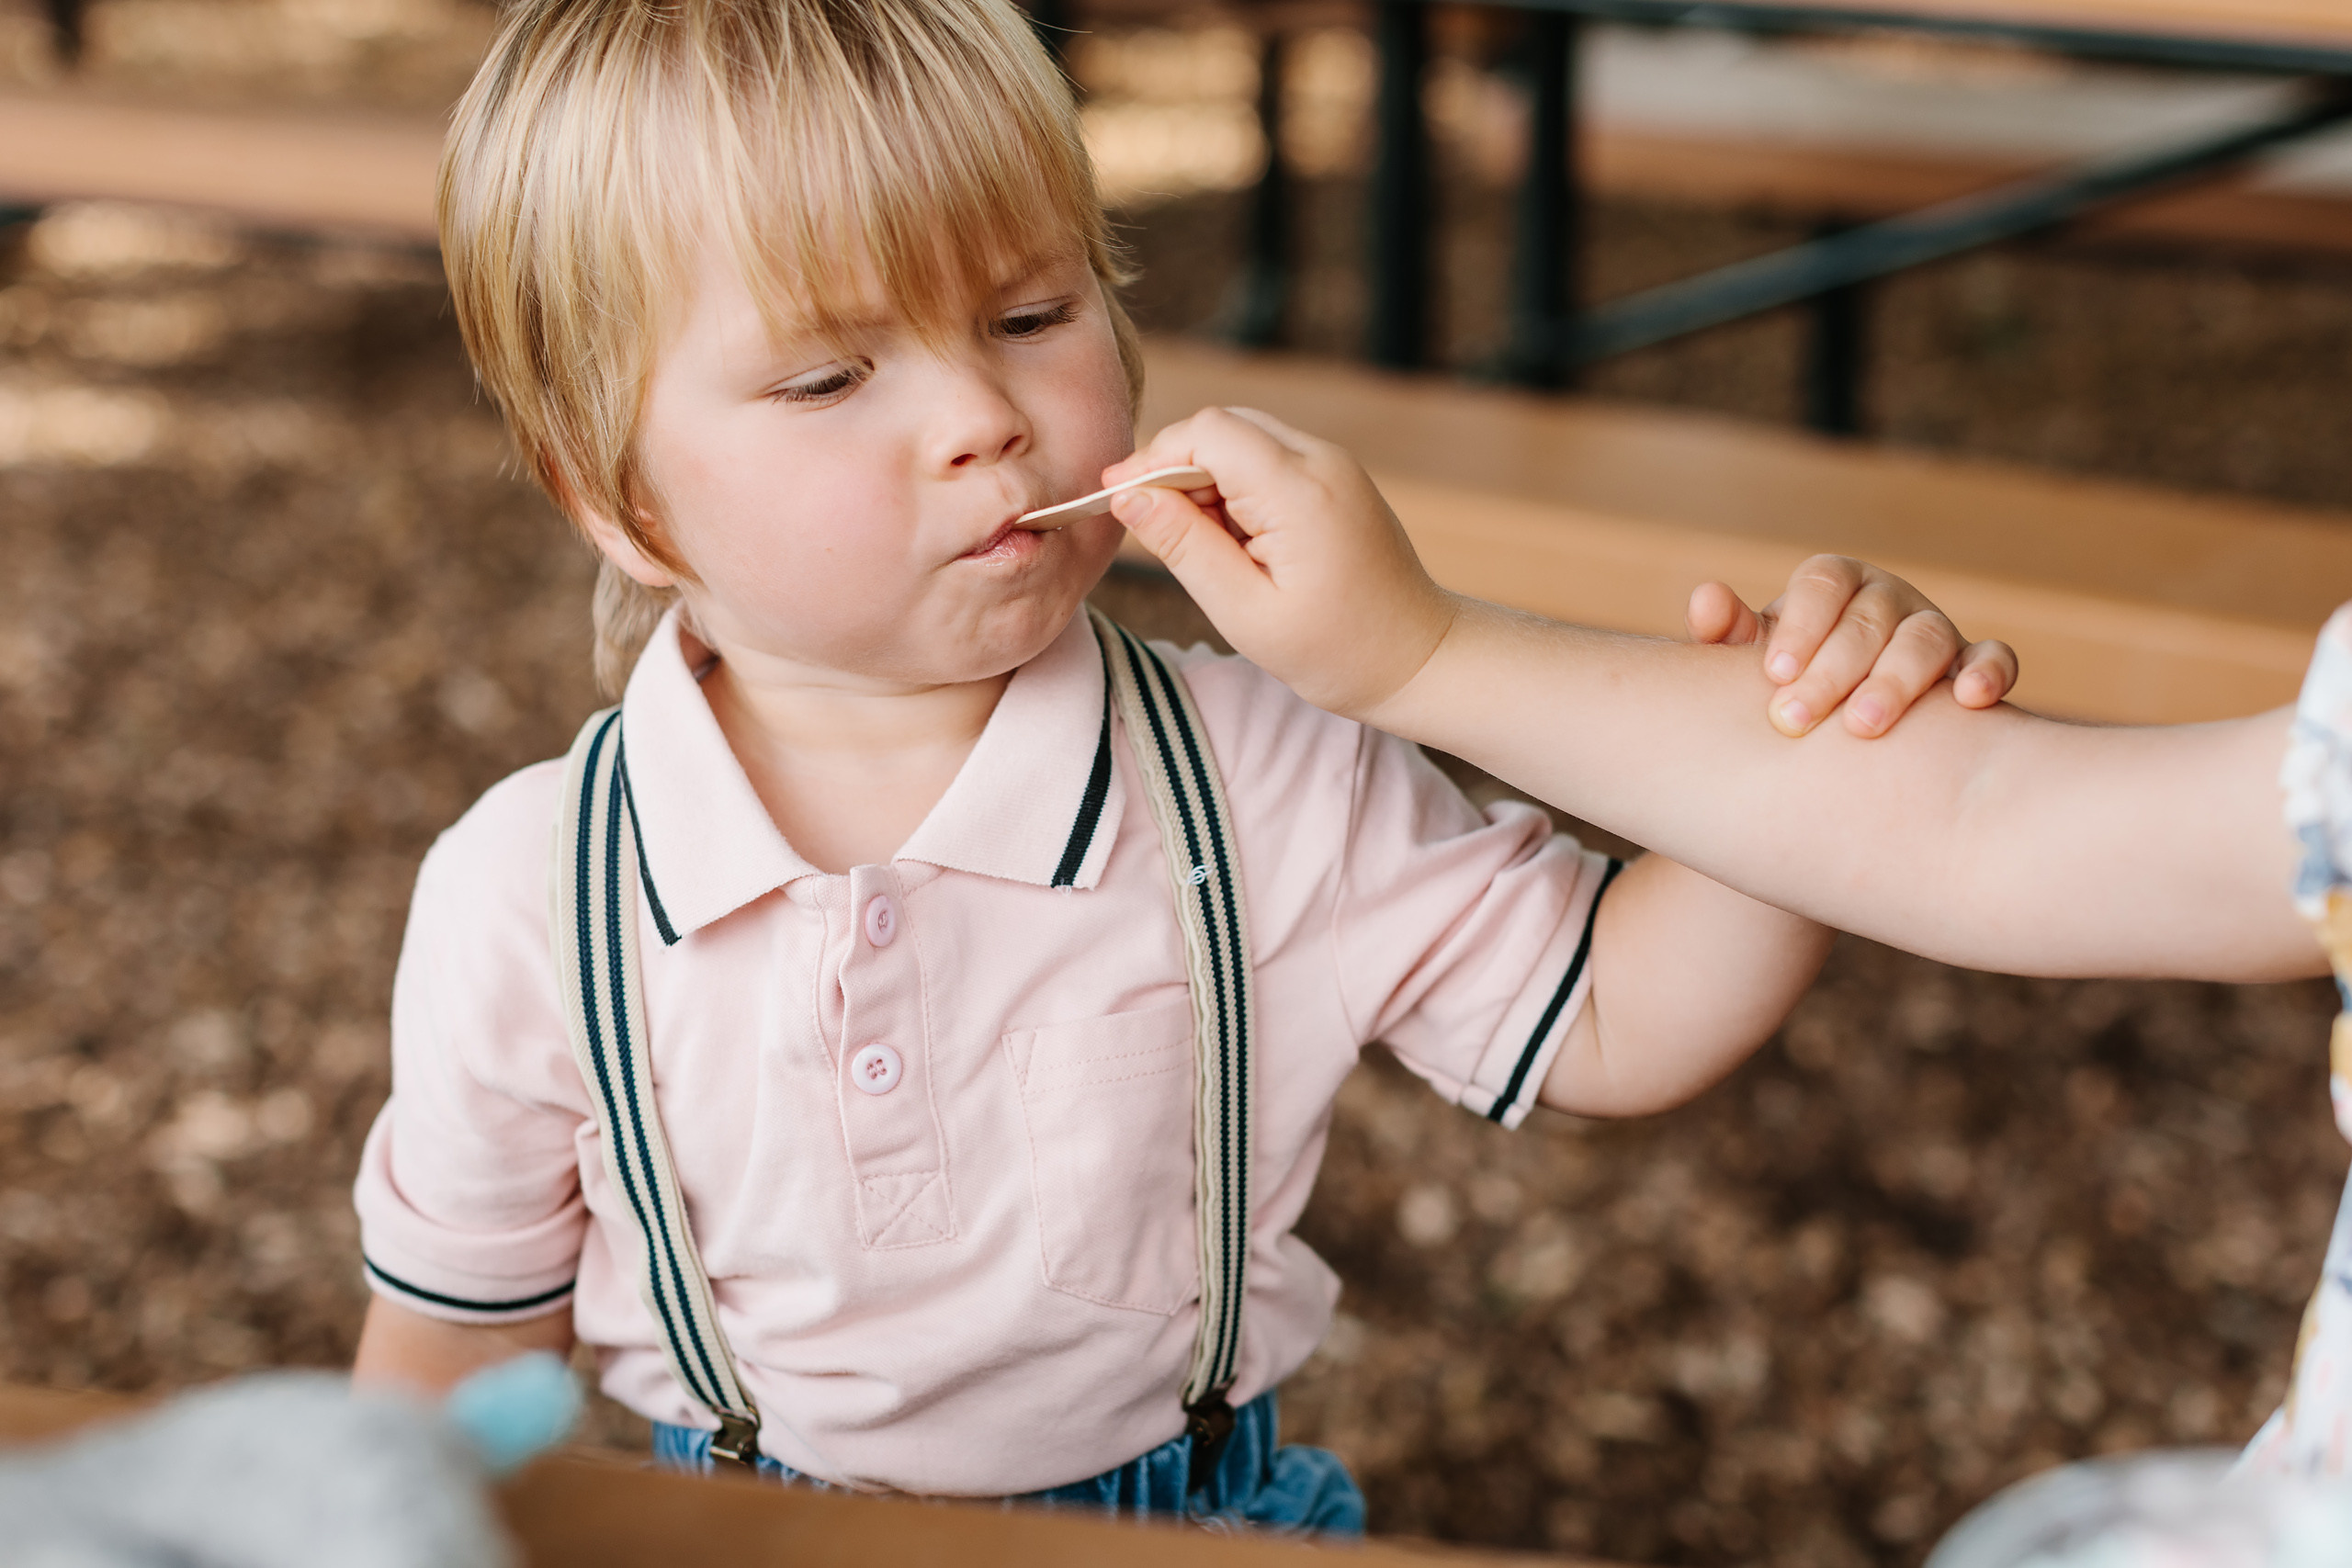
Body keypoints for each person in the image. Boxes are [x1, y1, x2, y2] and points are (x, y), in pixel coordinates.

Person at [348, 0, 2016, 1527]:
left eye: (1029, 312)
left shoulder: (1258, 771)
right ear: (622, 502)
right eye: (830, 373)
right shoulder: (528, 899)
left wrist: (1792, 738)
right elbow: (442, 1369)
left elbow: (1615, 1014)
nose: (982, 418)